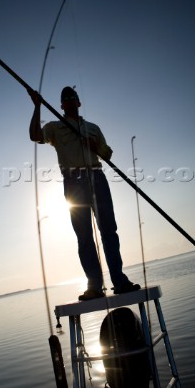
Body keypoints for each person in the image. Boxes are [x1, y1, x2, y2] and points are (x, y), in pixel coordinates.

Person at [29, 86, 140, 300]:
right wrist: (37, 107)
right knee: (84, 236)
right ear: (61, 105)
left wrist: (94, 146)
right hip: (73, 182)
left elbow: (107, 153)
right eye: (65, 98)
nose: (70, 100)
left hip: (97, 177)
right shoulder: (54, 127)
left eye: (73, 97)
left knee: (109, 230)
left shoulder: (93, 128)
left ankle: (119, 281)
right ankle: (95, 286)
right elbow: (35, 136)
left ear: (79, 102)